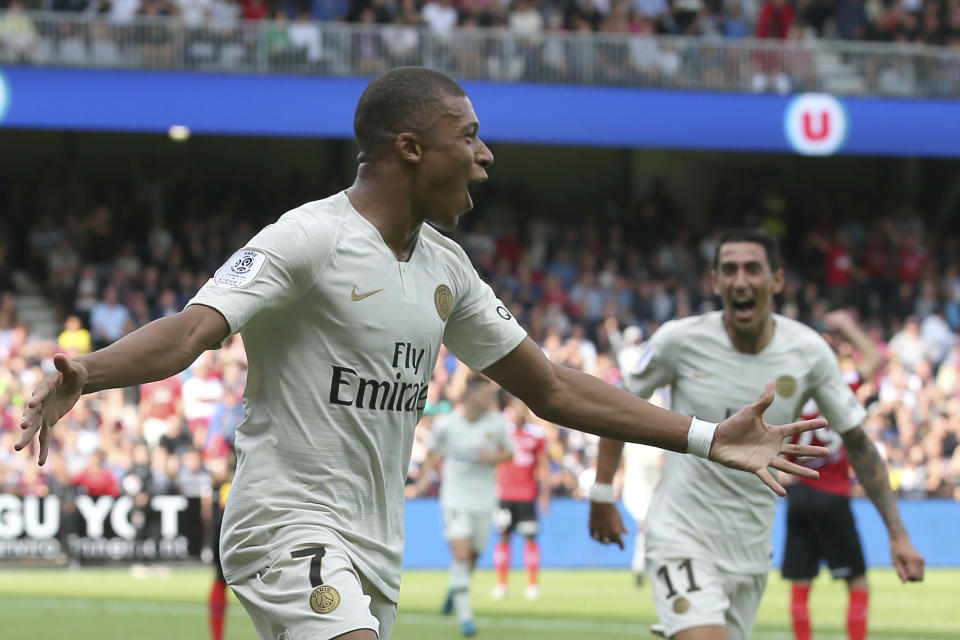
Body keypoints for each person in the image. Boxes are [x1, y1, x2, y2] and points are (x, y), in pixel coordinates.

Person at [17, 69, 829, 640]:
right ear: (409, 147)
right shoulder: (309, 237)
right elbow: (193, 329)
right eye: (468, 136)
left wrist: (705, 436)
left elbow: (549, 387)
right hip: (283, 520)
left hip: (377, 540)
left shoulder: (446, 267)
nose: (486, 154)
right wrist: (88, 372)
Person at [588, 228, 926, 640]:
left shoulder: (807, 351)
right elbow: (618, 407)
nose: (740, 280)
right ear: (715, 281)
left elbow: (857, 441)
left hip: (750, 546)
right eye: (728, 270)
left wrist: (899, 535)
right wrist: (603, 489)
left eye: (752, 269)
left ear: (777, 280)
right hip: (681, 532)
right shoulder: (679, 340)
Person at [782, 309, 882, 640]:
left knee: (801, 583)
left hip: (797, 494)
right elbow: (872, 358)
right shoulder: (842, 386)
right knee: (857, 581)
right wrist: (848, 326)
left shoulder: (789, 394)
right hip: (832, 494)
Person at [413, 376, 513, 636]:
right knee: (460, 554)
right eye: (486, 393)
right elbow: (433, 453)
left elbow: (510, 453)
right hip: (455, 498)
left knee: (472, 557)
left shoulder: (497, 423)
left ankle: (454, 591)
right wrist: (422, 481)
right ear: (470, 395)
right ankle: (466, 619)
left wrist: (494, 457)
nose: (491, 397)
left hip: (484, 500)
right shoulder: (449, 425)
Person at [491, 397, 550, 601]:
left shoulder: (536, 435)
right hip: (505, 495)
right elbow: (494, 463)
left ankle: (532, 585)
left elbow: (543, 465)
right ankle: (501, 585)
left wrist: (545, 493)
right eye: (513, 410)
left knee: (530, 538)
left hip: (527, 495)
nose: (516, 414)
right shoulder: (503, 434)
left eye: (519, 410)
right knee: (504, 537)